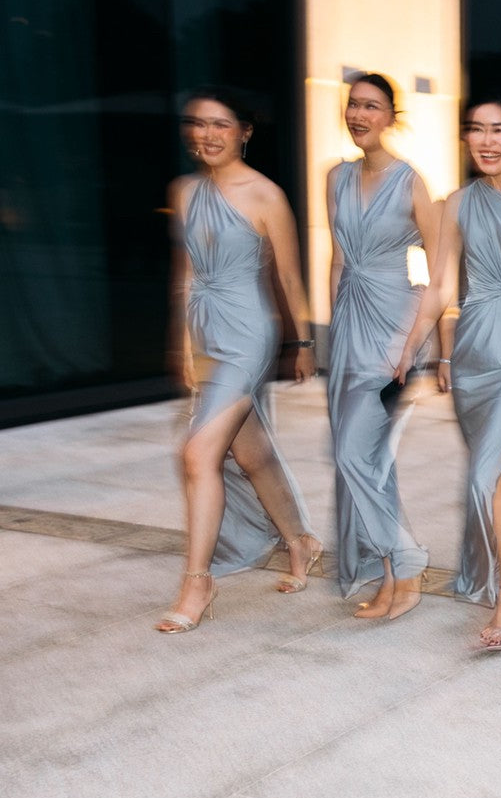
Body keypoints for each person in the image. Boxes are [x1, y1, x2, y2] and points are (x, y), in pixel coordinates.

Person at [395, 93, 501, 649]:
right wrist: (419, 349)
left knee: (485, 475)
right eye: (476, 129)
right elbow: (443, 288)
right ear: (466, 139)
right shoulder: (455, 204)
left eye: (499, 129)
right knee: (494, 479)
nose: (487, 140)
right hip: (473, 355)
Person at [158, 87, 321, 633]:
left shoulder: (266, 195)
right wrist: (184, 345)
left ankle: (197, 582)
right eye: (198, 124)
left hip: (249, 332)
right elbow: (185, 272)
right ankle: (300, 542)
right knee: (251, 454)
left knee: (198, 454)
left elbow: (291, 277)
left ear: (244, 132)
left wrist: (300, 344)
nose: (206, 134)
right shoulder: (184, 191)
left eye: (220, 124)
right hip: (205, 333)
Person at [325, 72, 437, 620]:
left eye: (371, 106)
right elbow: (339, 258)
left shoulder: (410, 181)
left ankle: (406, 565)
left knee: (355, 454)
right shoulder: (335, 178)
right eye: (353, 105)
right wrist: (330, 336)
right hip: (348, 328)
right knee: (370, 460)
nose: (359, 115)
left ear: (392, 117)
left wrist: (414, 343)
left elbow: (441, 271)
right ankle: (396, 579)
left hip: (393, 330)